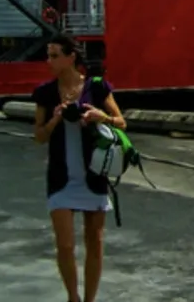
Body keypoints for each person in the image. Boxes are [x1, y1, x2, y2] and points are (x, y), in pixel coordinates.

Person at [32, 35, 126, 302]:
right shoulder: (45, 92)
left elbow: (121, 122)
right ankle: (73, 297)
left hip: (93, 176)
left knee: (94, 243)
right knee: (64, 245)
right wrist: (55, 120)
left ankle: (89, 300)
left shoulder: (96, 88)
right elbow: (39, 136)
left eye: (54, 55)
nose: (48, 61)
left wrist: (101, 116)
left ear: (71, 56)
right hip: (61, 179)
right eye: (48, 55)